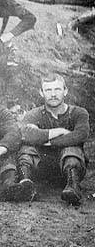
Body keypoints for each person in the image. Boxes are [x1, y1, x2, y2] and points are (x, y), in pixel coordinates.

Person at [18, 74, 90, 205]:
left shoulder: (78, 113)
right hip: (40, 170)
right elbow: (27, 135)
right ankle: (25, 184)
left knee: (72, 149)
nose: (53, 94)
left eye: (57, 89)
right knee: (26, 150)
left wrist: (47, 141)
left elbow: (80, 134)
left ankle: (73, 187)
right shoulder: (34, 114)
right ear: (41, 93)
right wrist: (60, 132)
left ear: (65, 91)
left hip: (68, 170)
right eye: (48, 90)